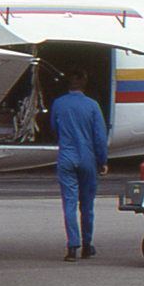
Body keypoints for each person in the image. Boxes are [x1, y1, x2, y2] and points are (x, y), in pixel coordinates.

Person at [50, 69, 110, 261]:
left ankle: (72, 247)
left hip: (66, 156)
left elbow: (53, 126)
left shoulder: (58, 104)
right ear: (85, 85)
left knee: (69, 203)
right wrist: (102, 161)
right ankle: (87, 244)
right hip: (87, 158)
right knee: (87, 205)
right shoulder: (92, 105)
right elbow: (100, 137)